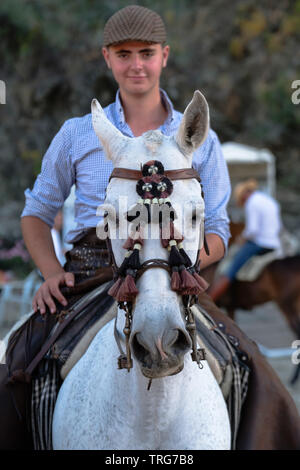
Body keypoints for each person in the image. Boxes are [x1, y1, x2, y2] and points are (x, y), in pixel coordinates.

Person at [1, 5, 299, 451]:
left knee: (248, 365)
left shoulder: (201, 139)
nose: (136, 64)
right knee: (18, 362)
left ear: (164, 55)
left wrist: (177, 262)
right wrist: (48, 273)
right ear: (107, 57)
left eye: (146, 52)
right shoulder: (78, 134)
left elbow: (216, 226)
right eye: (124, 54)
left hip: (178, 273)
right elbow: (36, 213)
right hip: (91, 274)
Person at [208, 178, 282, 302]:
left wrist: (240, 239)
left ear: (244, 194)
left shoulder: (251, 203)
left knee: (229, 269)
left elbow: (252, 229)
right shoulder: (268, 200)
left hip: (259, 243)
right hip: (274, 243)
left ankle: (210, 301)